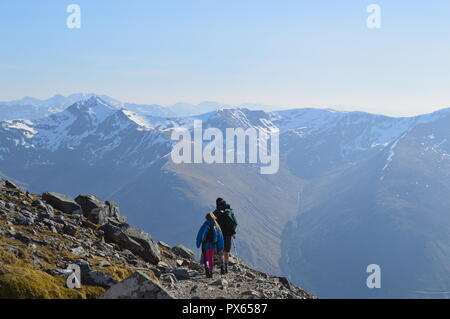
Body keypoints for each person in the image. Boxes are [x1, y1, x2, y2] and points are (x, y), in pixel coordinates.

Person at [213, 198, 238, 274]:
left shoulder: (216, 212)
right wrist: (232, 231)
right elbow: (235, 222)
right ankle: (226, 267)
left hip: (219, 233)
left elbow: (213, 222)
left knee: (220, 250)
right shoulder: (229, 212)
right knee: (227, 251)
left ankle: (222, 267)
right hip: (228, 234)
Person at [196, 212, 224, 278]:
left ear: (206, 218)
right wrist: (220, 247)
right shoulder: (216, 226)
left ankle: (207, 268)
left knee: (206, 258)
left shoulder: (204, 225)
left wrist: (198, 244)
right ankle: (210, 271)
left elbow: (200, 235)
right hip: (213, 245)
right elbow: (220, 237)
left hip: (205, 244)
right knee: (211, 257)